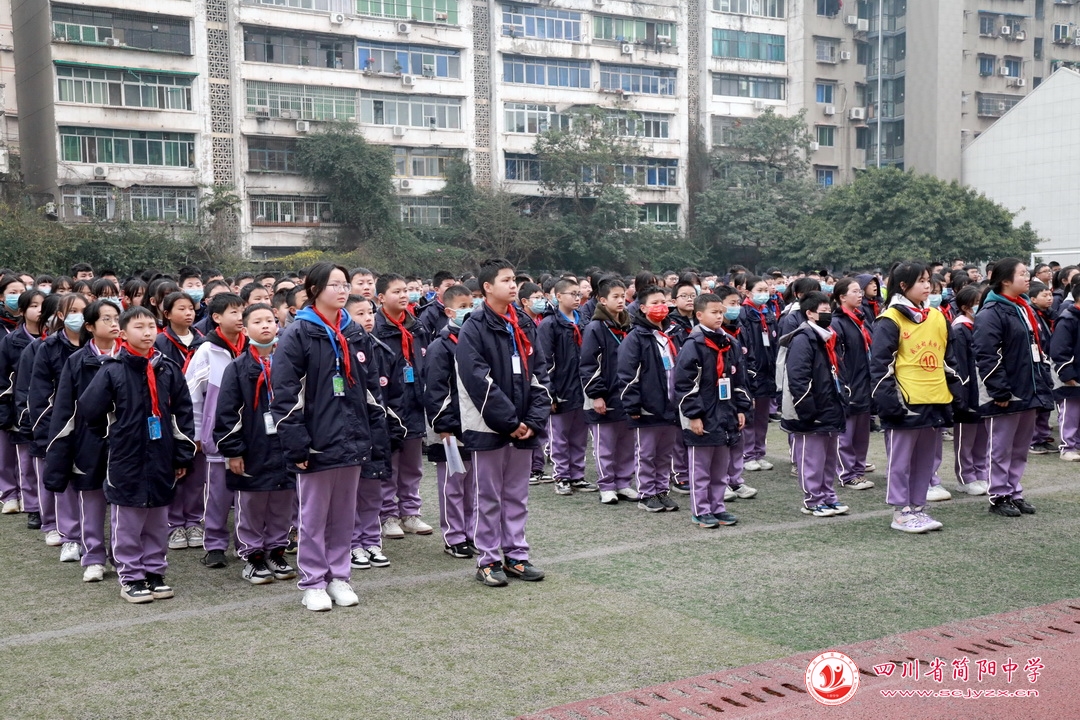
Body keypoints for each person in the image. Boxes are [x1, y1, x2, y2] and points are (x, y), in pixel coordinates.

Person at [272, 262, 390, 611]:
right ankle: (312, 581)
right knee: (313, 516)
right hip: (316, 441)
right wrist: (296, 443)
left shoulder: (353, 332)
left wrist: (373, 433)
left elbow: (370, 390)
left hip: (352, 439)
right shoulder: (299, 333)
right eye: (334, 285)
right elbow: (285, 394)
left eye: (344, 284)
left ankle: (339, 576)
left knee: (344, 514)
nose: (342, 291)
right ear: (314, 289)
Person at [79, 306, 197, 603]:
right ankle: (131, 575)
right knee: (128, 520)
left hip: (162, 455)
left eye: (151, 327)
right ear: (122, 332)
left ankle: (155, 571)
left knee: (158, 519)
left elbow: (183, 414)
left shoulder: (166, 368)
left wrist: (182, 454)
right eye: (139, 327)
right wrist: (113, 437)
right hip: (125, 457)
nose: (147, 333)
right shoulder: (112, 369)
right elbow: (90, 411)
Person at [456, 259, 551, 587]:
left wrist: (532, 421)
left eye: (514, 280)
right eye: (506, 280)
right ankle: (488, 559)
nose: (513, 285)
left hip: (524, 424)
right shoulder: (474, 326)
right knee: (490, 495)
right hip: (489, 427)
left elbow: (540, 374)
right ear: (487, 287)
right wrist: (509, 422)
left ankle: (516, 555)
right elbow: (478, 381)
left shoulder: (524, 322)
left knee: (517, 494)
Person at [870, 262, 958, 533]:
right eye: (920, 281)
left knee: (925, 459)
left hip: (934, 398)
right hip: (905, 401)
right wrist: (889, 403)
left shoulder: (937, 316)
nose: (927, 286)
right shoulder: (890, 319)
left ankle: (918, 507)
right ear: (903, 286)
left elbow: (948, 360)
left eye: (928, 280)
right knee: (901, 460)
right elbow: (880, 366)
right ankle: (901, 512)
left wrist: (956, 393)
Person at [213, 303, 297, 585]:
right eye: (257, 321)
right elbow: (227, 411)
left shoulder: (290, 362)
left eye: (270, 321)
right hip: (252, 446)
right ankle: (252, 555)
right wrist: (233, 450)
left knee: (283, 502)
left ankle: (277, 550)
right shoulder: (238, 368)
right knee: (251, 503)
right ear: (245, 328)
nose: (265, 326)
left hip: (285, 445)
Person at [43, 300, 120, 582]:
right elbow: (65, 409)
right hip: (87, 440)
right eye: (106, 319)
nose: (114, 324)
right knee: (90, 498)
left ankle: (122, 556)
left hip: (125, 441)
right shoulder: (77, 362)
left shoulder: (132, 357)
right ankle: (94, 557)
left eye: (116, 318)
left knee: (123, 503)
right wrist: (61, 447)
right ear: (90, 326)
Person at [974, 259, 1053, 517]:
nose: (1027, 277)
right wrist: (1000, 390)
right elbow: (987, 354)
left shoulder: (1023, 308)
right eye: (1022, 274)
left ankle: (1014, 491)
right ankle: (999, 495)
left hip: (1027, 388)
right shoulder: (991, 312)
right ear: (1005, 280)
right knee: (1001, 447)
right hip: (1006, 393)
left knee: (1019, 447)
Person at [674, 293, 751, 528]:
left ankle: (718, 507)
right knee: (701, 469)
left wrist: (741, 408)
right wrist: (693, 415)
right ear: (699, 315)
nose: (720, 316)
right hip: (703, 415)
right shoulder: (693, 344)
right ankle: (701, 510)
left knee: (720, 469)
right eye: (714, 312)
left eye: (721, 312)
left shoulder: (729, 342)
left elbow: (739, 379)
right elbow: (685, 384)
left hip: (725, 414)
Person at [186, 292, 248, 568]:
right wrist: (198, 434)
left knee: (248, 496)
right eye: (233, 312)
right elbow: (193, 396)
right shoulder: (207, 351)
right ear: (216, 318)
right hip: (218, 438)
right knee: (217, 496)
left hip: (251, 436)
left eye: (242, 311)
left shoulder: (253, 348)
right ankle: (215, 545)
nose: (239, 317)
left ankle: (247, 544)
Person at [778, 292, 849, 518]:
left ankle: (828, 496)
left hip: (830, 406)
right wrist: (808, 410)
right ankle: (813, 499)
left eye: (830, 309)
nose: (828, 314)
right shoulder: (803, 338)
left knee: (828, 459)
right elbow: (798, 379)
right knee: (811, 459)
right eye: (823, 310)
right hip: (812, 411)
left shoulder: (828, 336)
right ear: (809, 313)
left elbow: (837, 370)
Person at [374, 273, 433, 539]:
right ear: (381, 298)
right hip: (389, 405)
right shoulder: (375, 330)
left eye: (405, 291)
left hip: (415, 403)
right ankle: (388, 515)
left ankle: (410, 512)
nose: (403, 296)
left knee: (412, 464)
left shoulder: (417, 327)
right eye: (396, 291)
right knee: (390, 462)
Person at [29, 293, 87, 561]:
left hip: (94, 426)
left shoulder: (98, 346)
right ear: (61, 316)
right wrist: (46, 433)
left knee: (92, 485)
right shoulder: (49, 348)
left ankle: (93, 538)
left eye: (83, 310)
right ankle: (70, 537)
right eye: (72, 311)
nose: (78, 315)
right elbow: (39, 394)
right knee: (64, 481)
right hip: (61, 424)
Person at [422, 284, 477, 558]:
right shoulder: (439, 347)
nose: (470, 310)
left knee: (474, 486)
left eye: (473, 304)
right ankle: (454, 536)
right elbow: (435, 390)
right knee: (453, 485)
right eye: (464, 306)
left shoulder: (477, 342)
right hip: (450, 430)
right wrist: (444, 426)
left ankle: (472, 531)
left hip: (476, 425)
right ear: (449, 311)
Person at [617, 285, 681, 513]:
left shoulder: (672, 333)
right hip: (647, 407)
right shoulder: (636, 338)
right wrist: (633, 404)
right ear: (642, 308)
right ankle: (647, 493)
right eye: (654, 303)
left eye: (662, 301)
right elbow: (627, 374)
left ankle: (662, 490)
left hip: (670, 406)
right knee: (646, 453)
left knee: (665, 453)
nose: (660, 307)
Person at [580, 277, 638, 505]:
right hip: (604, 395)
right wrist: (596, 394)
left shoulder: (630, 325)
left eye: (623, 296)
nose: (621, 300)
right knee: (605, 444)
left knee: (626, 443)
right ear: (602, 300)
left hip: (626, 394)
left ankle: (624, 482)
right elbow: (588, 364)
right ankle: (606, 485)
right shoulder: (595, 328)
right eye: (615, 296)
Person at [538, 278, 595, 496]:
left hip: (582, 387)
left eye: (578, 294)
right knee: (559, 436)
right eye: (572, 293)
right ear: (558, 296)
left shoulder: (584, 322)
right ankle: (561, 476)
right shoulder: (549, 324)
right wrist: (550, 393)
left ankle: (577, 475)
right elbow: (544, 362)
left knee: (580, 435)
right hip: (561, 388)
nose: (577, 298)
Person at [0, 289, 43, 519]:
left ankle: (50, 507)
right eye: (33, 305)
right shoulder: (11, 340)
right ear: (23, 311)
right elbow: (3, 377)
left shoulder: (54, 340)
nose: (39, 310)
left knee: (46, 462)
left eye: (42, 305)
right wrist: (7, 410)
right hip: (21, 409)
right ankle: (33, 507)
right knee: (26, 463)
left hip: (47, 410)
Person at [831, 279, 874, 491]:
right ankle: (846, 474)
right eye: (855, 291)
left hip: (864, 384)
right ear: (841, 297)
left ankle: (858, 471)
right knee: (846, 434)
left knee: (861, 434)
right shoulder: (837, 322)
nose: (860, 295)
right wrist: (844, 385)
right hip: (849, 385)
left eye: (860, 291)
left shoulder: (861, 319)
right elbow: (837, 358)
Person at [948, 285, 989, 495]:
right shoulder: (959, 329)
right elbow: (959, 366)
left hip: (984, 391)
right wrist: (962, 396)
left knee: (982, 436)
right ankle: (965, 477)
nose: (980, 306)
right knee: (966, 438)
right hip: (967, 392)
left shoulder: (982, 326)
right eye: (976, 302)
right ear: (965, 307)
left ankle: (981, 472)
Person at [738, 276, 779, 472]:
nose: (765, 293)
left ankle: (759, 452)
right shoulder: (743, 314)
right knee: (749, 414)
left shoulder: (768, 313)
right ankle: (747, 454)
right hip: (752, 371)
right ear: (748, 293)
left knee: (762, 415)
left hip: (768, 371)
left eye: (766, 289)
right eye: (760, 290)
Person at [1051, 274, 1080, 463]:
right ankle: (1068, 446)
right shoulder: (1068, 318)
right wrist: (1066, 373)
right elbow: (1059, 350)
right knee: (1070, 412)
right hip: (1072, 374)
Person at [1028, 281, 1057, 455]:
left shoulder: (1048, 314)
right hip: (1038, 362)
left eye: (1050, 295)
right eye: (1044, 295)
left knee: (1046, 403)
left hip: (1046, 362)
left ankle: (1043, 437)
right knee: (1038, 404)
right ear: (1033, 299)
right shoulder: (1032, 314)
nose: (1049, 298)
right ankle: (1034, 440)